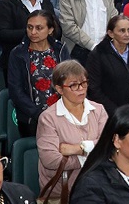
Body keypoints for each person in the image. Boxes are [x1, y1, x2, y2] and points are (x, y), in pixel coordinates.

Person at [36, 60, 108, 201]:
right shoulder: (48, 118)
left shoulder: (98, 110)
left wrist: (78, 148)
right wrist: (89, 155)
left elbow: (107, 147)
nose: (81, 89)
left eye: (83, 83)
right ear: (59, 89)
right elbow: (50, 160)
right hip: (62, 194)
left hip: (97, 190)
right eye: (73, 85)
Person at [7, 10, 70, 137]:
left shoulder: (60, 49)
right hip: (32, 118)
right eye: (30, 27)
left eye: (39, 28)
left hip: (62, 114)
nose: (33, 32)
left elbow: (69, 81)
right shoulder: (18, 53)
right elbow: (16, 90)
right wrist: (39, 114)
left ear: (50, 30)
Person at [85, 15, 129, 116]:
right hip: (109, 113)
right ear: (111, 33)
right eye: (122, 31)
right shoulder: (98, 54)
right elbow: (94, 89)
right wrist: (115, 111)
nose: (127, 34)